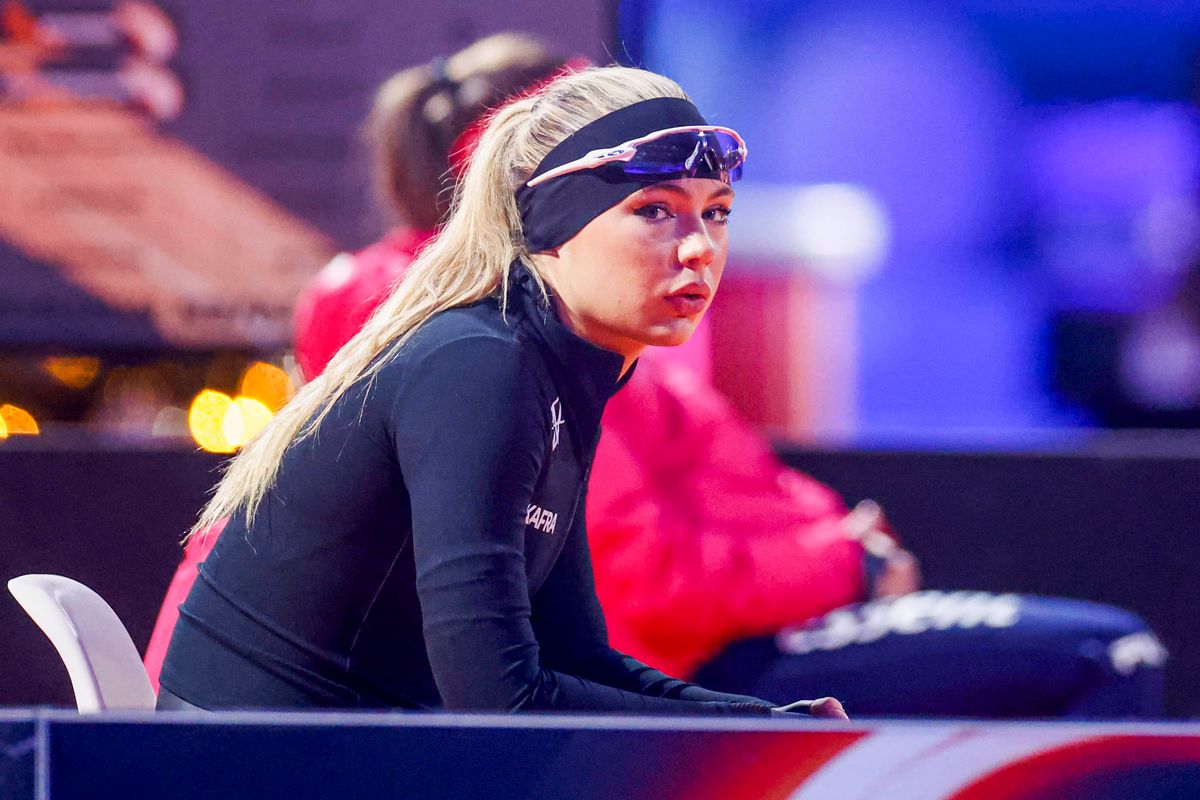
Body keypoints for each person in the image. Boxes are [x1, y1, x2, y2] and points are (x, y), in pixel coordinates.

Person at [155, 59, 847, 718]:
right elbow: (497, 705)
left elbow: (576, 659)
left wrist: (758, 721)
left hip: (320, 750)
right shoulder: (481, 366)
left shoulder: (558, 376)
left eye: (717, 212)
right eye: (655, 210)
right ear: (550, 227)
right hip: (246, 766)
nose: (699, 246)